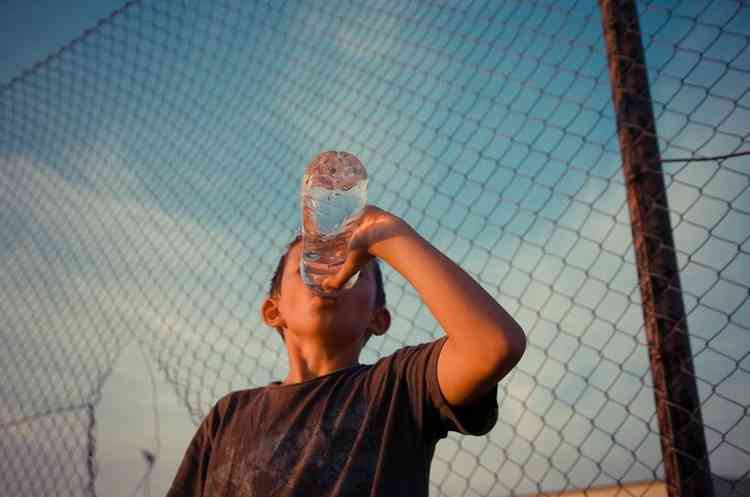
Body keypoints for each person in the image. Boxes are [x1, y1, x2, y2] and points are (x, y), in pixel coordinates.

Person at [167, 205, 526, 497]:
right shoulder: (229, 415)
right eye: (309, 264)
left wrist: (389, 236)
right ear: (273, 311)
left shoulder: (398, 387)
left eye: (351, 268)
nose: (328, 274)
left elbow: (494, 345)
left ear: (378, 319)